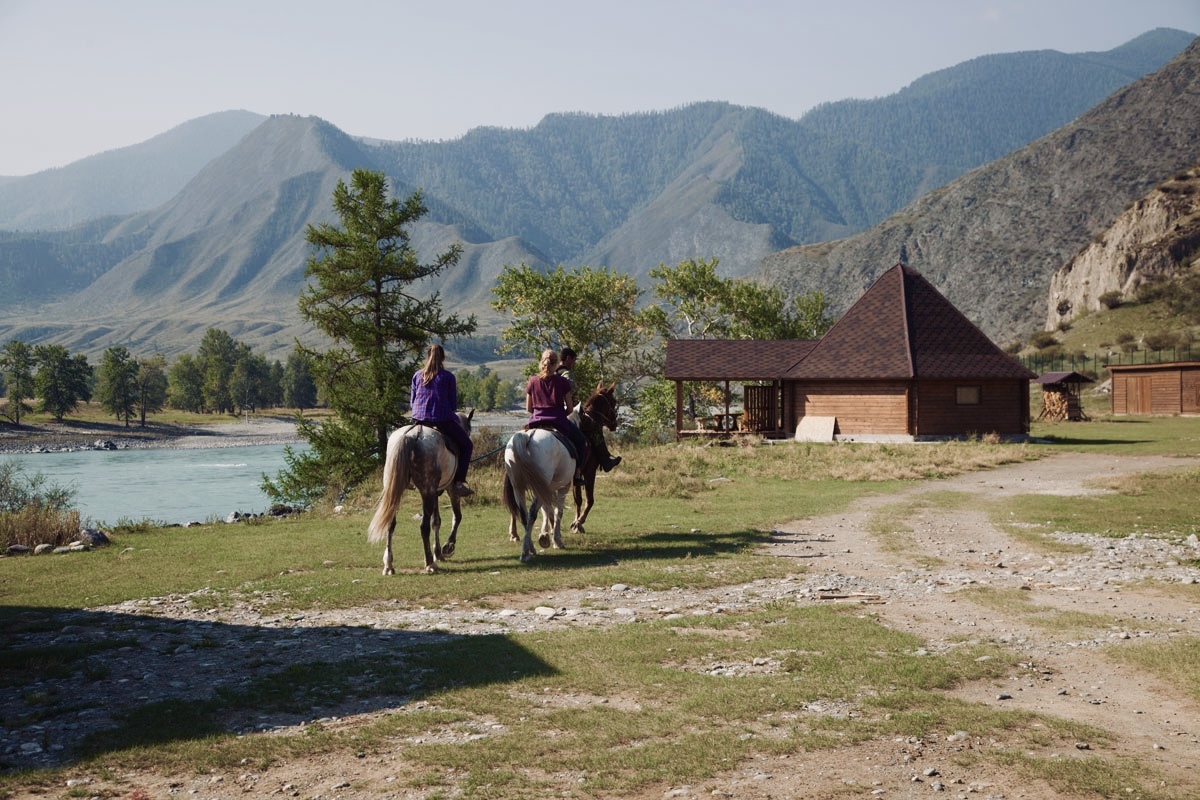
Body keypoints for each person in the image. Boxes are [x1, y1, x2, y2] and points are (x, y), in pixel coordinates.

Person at [410, 344, 474, 496]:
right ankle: (458, 483)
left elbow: (412, 402)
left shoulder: (417, 375)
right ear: (443, 358)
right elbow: (452, 405)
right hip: (441, 420)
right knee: (467, 445)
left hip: (418, 420)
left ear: (427, 357)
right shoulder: (448, 377)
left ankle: (407, 478)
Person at [526, 348, 588, 485]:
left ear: (541, 363)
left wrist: (539, 413)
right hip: (558, 423)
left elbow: (529, 408)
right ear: (556, 364)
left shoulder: (532, 381)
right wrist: (560, 415)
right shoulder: (562, 382)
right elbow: (571, 408)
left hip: (536, 423)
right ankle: (577, 475)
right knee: (581, 440)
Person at [557, 346, 621, 472]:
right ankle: (605, 460)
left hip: (553, 410)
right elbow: (569, 390)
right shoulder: (567, 374)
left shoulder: (552, 373)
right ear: (568, 358)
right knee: (595, 426)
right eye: (574, 361)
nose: (574, 364)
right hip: (569, 412)